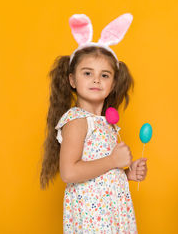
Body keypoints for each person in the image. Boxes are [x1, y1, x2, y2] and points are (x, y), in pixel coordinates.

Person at [40, 13, 146, 233]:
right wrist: (113, 160)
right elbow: (69, 172)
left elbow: (101, 176)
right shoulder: (77, 121)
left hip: (112, 214)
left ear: (113, 83)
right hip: (92, 220)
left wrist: (126, 174)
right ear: (72, 80)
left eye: (105, 75)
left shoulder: (106, 123)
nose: (96, 79)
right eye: (87, 73)